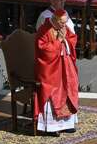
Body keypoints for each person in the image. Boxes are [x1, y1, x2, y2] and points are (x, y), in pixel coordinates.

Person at [34, 7, 79, 136]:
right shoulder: (44, 29)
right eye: (62, 23)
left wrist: (66, 40)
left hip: (65, 66)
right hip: (50, 69)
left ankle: (67, 124)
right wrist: (58, 41)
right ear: (55, 20)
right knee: (54, 89)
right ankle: (52, 127)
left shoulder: (64, 27)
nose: (64, 26)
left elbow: (72, 39)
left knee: (70, 86)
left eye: (65, 23)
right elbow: (43, 50)